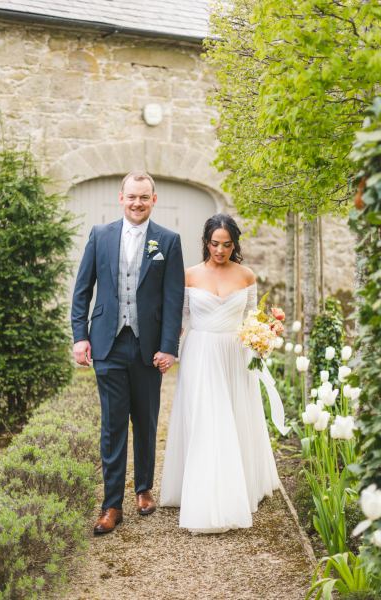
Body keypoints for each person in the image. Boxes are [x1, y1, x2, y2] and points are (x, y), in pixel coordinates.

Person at [71, 171, 184, 535]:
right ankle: (111, 505)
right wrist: (79, 336)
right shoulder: (100, 235)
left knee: (147, 420)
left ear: (154, 200)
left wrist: (169, 347)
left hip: (147, 346)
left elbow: (173, 299)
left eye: (144, 197)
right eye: (131, 196)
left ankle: (144, 489)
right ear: (121, 198)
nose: (137, 203)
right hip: (107, 343)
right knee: (113, 425)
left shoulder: (168, 240)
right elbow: (82, 290)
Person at [160, 213, 286, 533]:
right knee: (207, 420)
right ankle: (205, 496)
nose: (220, 250)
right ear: (206, 242)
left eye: (227, 245)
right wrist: (167, 350)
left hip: (235, 353)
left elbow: (252, 319)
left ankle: (239, 484)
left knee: (235, 416)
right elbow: (180, 321)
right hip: (200, 352)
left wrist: (263, 337)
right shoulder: (189, 275)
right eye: (215, 244)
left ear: (235, 244)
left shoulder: (246, 276)